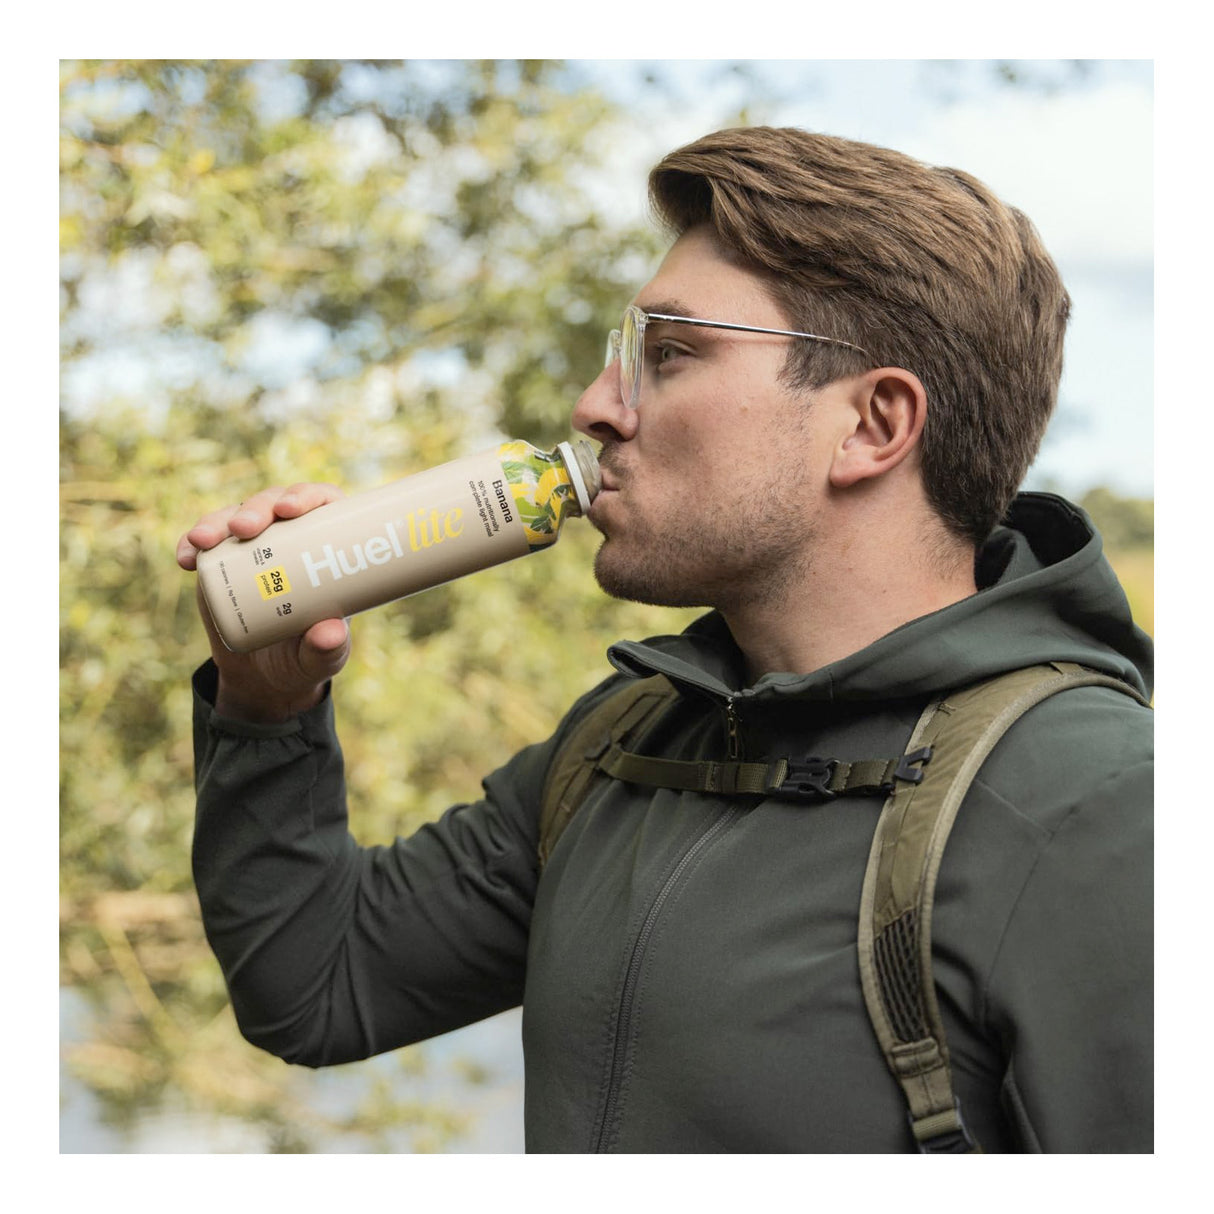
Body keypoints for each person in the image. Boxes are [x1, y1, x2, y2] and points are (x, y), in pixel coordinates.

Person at [177, 126, 1153, 1153]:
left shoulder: (1095, 805)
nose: (597, 405)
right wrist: (267, 703)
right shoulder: (628, 741)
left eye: (670, 352)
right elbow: (321, 983)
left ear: (870, 426)